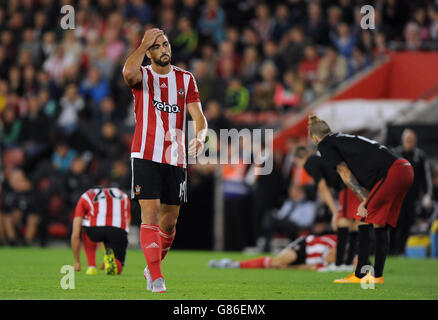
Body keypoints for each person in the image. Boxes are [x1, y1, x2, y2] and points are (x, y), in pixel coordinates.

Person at [122, 28, 208, 293]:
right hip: (146, 154)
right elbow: (127, 73)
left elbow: (199, 117)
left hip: (176, 157)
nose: (164, 49)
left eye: (166, 44)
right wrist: (144, 42)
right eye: (157, 46)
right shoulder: (142, 76)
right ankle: (158, 279)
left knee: (169, 222)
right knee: (150, 213)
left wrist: (202, 136)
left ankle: (152, 266)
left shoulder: (185, 78)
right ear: (148, 53)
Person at [308, 115, 414, 284]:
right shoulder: (344, 139)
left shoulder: (325, 144)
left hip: (393, 173)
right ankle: (377, 276)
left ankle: (360, 275)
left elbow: (344, 172)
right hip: (405, 169)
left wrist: (365, 200)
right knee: (379, 224)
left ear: (315, 138)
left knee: (362, 219)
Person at [293, 145, 360, 272]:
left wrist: (334, 212)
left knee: (343, 222)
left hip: (346, 185)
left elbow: (322, 187)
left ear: (297, 159)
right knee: (352, 225)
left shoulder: (309, 163)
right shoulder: (318, 159)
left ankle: (340, 264)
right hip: (352, 183)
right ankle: (348, 262)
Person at [71, 187, 131, 275]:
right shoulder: (122, 194)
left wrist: (77, 262)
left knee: (86, 225)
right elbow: (127, 220)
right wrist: (123, 237)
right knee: (118, 268)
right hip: (118, 230)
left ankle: (91, 266)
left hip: (94, 229)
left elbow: (75, 234)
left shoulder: (86, 195)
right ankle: (111, 261)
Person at [390, 129, 433, 255]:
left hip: (411, 196)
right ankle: (390, 249)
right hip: (395, 196)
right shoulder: (394, 153)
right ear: (403, 140)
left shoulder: (420, 156)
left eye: (412, 140)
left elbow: (426, 177)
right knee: (393, 223)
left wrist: (427, 195)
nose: (410, 143)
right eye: (408, 140)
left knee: (407, 223)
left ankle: (401, 249)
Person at [208, 234, 337, 271]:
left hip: (306, 261)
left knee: (277, 264)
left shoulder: (333, 266)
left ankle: (233, 264)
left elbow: (313, 268)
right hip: (305, 246)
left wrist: (289, 268)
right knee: (281, 261)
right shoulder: (339, 240)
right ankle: (235, 264)